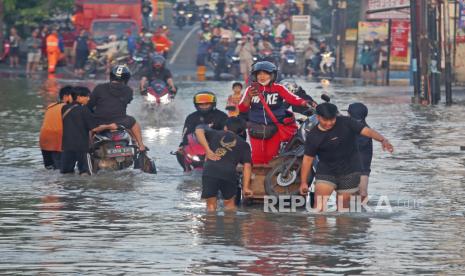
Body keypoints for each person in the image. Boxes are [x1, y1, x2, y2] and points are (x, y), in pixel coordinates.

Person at [299, 103, 394, 212]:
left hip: (349, 173)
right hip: (326, 172)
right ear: (318, 117)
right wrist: (303, 182)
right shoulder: (313, 136)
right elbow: (307, 160)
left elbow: (367, 131)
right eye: (326, 120)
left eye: (332, 119)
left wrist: (383, 140)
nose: (329, 123)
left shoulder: (347, 122)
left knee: (343, 213)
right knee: (318, 209)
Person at [238, 61, 309, 164]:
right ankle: (256, 178)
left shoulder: (278, 88)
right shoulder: (250, 89)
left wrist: (306, 103)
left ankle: (269, 179)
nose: (262, 76)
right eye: (259, 73)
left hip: (274, 128)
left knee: (271, 157)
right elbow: (242, 109)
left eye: (265, 73)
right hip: (255, 127)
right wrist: (249, 96)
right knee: (256, 156)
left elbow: (292, 98)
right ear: (255, 76)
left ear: (272, 75)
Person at [195, 117, 253, 212]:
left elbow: (198, 130)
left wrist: (208, 150)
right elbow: (247, 166)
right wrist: (246, 188)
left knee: (211, 206)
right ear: (242, 132)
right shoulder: (244, 144)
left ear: (225, 128)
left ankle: (210, 225)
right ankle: (229, 226)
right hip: (229, 173)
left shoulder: (215, 133)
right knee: (229, 205)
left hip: (210, 170)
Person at [88, 65, 146, 151]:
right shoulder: (128, 90)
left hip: (99, 120)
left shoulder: (99, 87)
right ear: (126, 78)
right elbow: (126, 102)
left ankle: (89, 146)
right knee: (133, 122)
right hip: (119, 120)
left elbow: (90, 105)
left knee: (87, 127)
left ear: (111, 76)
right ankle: (141, 146)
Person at [61, 87, 117, 175]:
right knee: (85, 173)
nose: (89, 98)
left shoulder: (64, 108)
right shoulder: (84, 110)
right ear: (79, 97)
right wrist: (109, 126)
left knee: (66, 173)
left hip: (67, 146)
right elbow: (94, 128)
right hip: (81, 147)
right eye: (86, 96)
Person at [39, 86, 74, 170]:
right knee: (60, 170)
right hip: (57, 141)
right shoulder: (69, 108)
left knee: (49, 169)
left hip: (44, 141)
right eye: (74, 96)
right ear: (66, 97)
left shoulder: (50, 106)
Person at [348, 103, 373, 202]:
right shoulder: (366, 128)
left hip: (359, 169)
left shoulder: (361, 130)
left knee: (360, 194)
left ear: (350, 115)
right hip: (363, 169)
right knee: (360, 195)